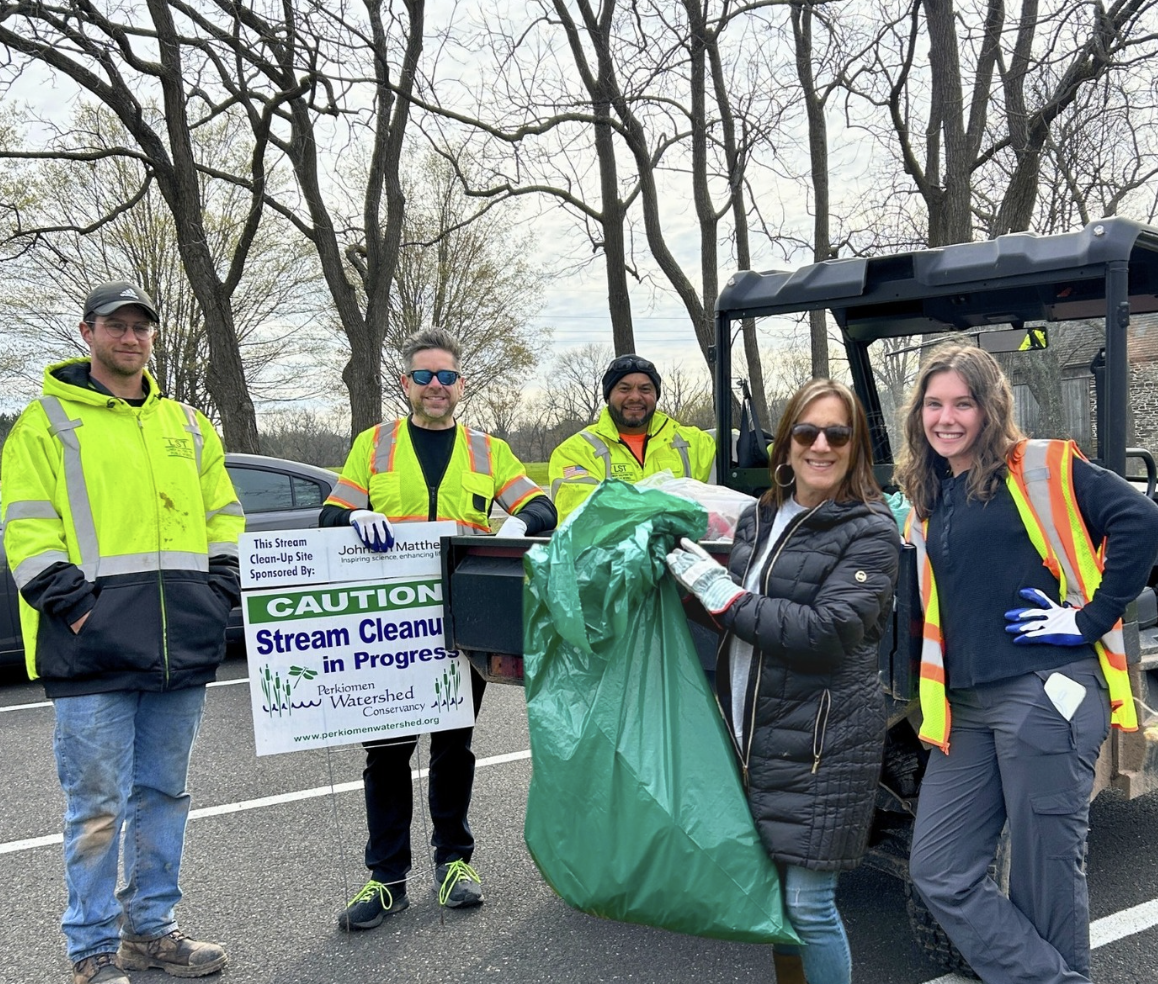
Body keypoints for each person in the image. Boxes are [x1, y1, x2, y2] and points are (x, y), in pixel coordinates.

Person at [1, 282, 242, 984]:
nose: (130, 337)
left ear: (153, 337)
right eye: (117, 326)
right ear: (87, 332)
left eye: (142, 326)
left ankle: (152, 932)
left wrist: (216, 594)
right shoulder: (45, 424)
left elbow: (222, 514)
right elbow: (26, 530)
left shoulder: (188, 425)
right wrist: (79, 611)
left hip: (178, 649)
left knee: (165, 796)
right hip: (91, 651)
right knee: (98, 807)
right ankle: (93, 951)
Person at [896, 342, 1158, 984]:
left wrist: (1089, 619)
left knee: (1045, 876)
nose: (947, 417)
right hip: (963, 708)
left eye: (963, 402)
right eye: (934, 404)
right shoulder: (929, 497)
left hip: (1044, 693)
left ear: (991, 408)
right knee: (939, 870)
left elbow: (1140, 517)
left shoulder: (1037, 467)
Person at [320, 327, 557, 931]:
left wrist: (516, 527)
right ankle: (386, 878)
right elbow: (331, 514)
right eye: (423, 376)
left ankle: (455, 861)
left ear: (460, 384)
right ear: (405, 383)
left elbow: (541, 506)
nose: (434, 387)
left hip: (461, 622)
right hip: (390, 630)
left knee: (454, 746)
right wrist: (355, 517)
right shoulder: (372, 445)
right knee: (388, 752)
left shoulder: (487, 449)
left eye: (445, 377)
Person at [665, 378, 900, 984]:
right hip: (755, 732)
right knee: (776, 905)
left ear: (856, 448)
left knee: (808, 906)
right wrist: (681, 582)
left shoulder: (870, 530)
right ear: (786, 443)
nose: (821, 445)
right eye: (807, 431)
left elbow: (828, 631)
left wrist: (721, 594)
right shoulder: (759, 515)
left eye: (837, 434)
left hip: (824, 743)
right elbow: (738, 620)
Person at [548, 354, 716, 522]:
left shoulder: (693, 442)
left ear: (656, 396)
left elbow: (736, 447)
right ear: (608, 396)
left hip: (684, 547)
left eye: (645, 389)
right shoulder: (574, 451)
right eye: (624, 389)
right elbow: (581, 515)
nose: (635, 397)